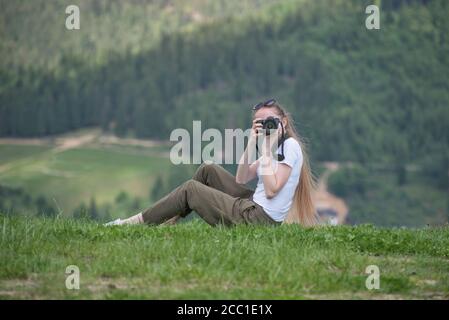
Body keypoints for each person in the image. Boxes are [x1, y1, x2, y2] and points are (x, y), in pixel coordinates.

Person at [105, 99, 318, 227]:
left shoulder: (289, 146)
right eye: (261, 122)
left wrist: (264, 147)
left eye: (270, 120)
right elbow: (242, 177)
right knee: (208, 170)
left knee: (191, 189)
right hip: (253, 203)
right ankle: (169, 219)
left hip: (258, 219)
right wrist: (253, 140)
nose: (267, 125)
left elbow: (272, 191)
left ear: (284, 121)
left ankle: (133, 224)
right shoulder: (273, 145)